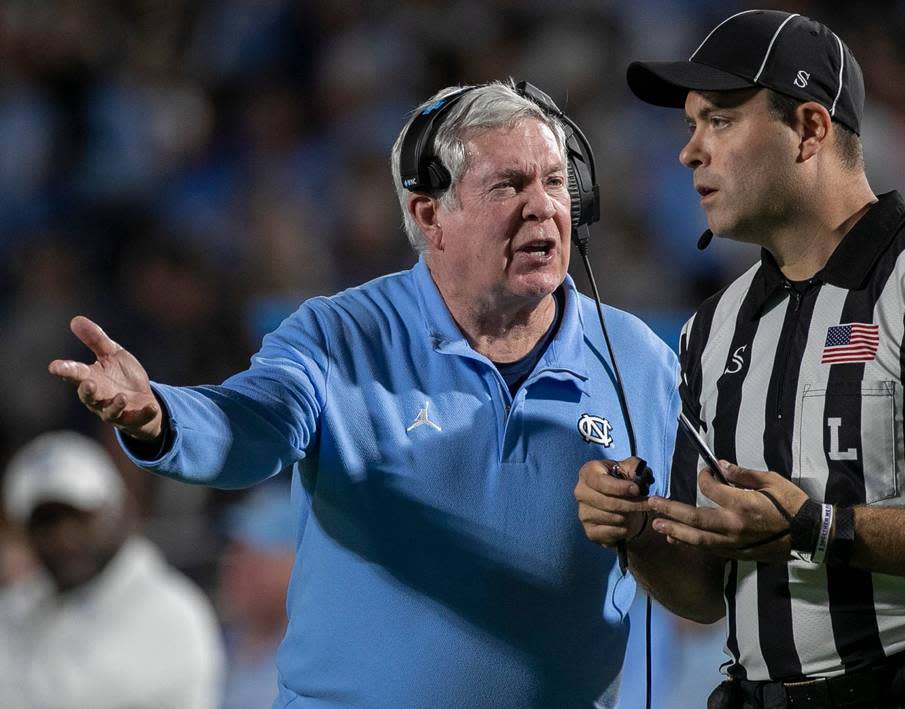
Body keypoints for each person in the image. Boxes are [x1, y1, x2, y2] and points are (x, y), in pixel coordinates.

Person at [49, 81, 679, 707]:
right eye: (508, 185)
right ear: (429, 214)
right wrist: (160, 416)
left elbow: (694, 571)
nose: (543, 207)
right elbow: (251, 423)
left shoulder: (638, 362)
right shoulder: (338, 335)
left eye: (553, 180)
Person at [576, 10, 905, 708]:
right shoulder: (709, 331)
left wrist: (821, 527)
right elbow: (704, 594)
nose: (690, 152)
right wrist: (640, 532)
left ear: (811, 128)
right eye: (690, 126)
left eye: (719, 120)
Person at [0, 430, 223, 709]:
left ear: (116, 511)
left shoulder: (168, 608)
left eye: (79, 517)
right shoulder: (25, 599)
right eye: (45, 523)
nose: (64, 538)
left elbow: (62, 699)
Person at [216, 484, 295, 709]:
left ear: (295, 565)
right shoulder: (211, 643)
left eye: (258, 556)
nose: (234, 565)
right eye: (234, 550)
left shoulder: (311, 669)